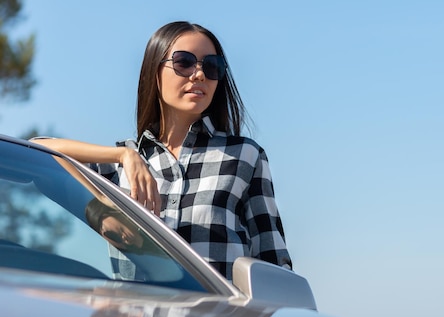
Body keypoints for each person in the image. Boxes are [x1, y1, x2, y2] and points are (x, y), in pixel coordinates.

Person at [32, 21, 291, 280]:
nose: (199, 74)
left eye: (211, 66)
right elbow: (38, 151)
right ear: (155, 72)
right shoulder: (118, 170)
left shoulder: (245, 156)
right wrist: (123, 156)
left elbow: (274, 262)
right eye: (184, 62)